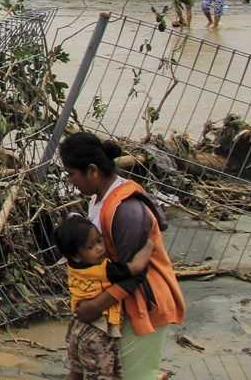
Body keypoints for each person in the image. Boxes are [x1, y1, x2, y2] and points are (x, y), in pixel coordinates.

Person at [60, 133, 185, 380]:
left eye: (71, 173)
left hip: (144, 303)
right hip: (121, 305)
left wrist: (94, 307)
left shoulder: (126, 210)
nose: (70, 180)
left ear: (92, 170)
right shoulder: (99, 199)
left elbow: (133, 275)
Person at [55, 214, 155, 380]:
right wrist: (149, 245)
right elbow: (136, 267)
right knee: (105, 375)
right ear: (75, 255)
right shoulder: (104, 270)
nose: (100, 248)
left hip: (77, 329)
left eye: (100, 241)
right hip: (97, 332)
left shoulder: (74, 267)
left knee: (76, 374)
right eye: (90, 247)